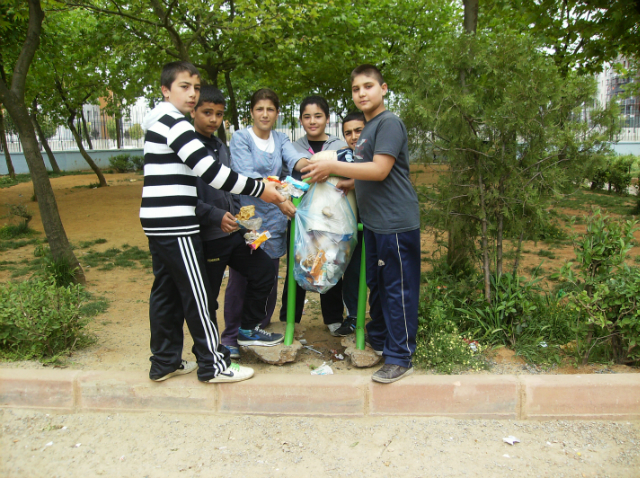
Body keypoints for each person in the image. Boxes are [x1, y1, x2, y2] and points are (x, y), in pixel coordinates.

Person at [140, 61, 284, 384]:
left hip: (156, 221)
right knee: (197, 296)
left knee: (165, 293)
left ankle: (164, 361)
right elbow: (211, 173)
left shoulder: (160, 121)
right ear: (165, 90)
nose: (192, 94)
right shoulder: (174, 123)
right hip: (177, 224)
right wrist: (263, 189)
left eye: (195, 87)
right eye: (184, 87)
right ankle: (213, 365)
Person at [301, 64, 421, 384]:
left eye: (368, 86)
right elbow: (371, 171)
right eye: (356, 89)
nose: (362, 93)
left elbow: (381, 169)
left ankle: (400, 356)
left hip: (396, 222)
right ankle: (380, 339)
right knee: (379, 288)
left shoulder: (389, 123)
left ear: (384, 88)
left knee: (397, 290)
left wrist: (332, 163)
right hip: (374, 223)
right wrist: (351, 181)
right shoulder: (367, 129)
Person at [191, 86, 281, 362]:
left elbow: (232, 191)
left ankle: (247, 329)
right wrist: (215, 216)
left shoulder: (220, 146)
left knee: (264, 269)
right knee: (210, 295)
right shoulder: (189, 148)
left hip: (237, 229)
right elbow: (187, 197)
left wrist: (248, 227)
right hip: (210, 235)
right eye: (207, 113)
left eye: (218, 114)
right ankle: (212, 349)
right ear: (193, 111)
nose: (213, 119)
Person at [223, 88, 310, 356]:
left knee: (269, 274)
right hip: (249, 215)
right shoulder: (241, 137)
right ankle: (229, 337)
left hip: (274, 218)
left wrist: (314, 165)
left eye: (270, 109)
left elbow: (295, 159)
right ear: (251, 111)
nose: (264, 114)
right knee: (241, 276)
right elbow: (246, 176)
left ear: (277, 113)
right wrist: (280, 199)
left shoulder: (281, 138)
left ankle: (258, 327)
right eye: (259, 109)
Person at [279, 96, 350, 336]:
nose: (312, 121)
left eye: (318, 116)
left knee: (330, 264)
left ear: (327, 119)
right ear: (300, 119)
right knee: (298, 265)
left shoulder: (339, 145)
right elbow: (288, 180)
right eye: (307, 116)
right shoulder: (293, 148)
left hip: (330, 218)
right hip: (301, 218)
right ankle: (290, 318)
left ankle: (332, 318)